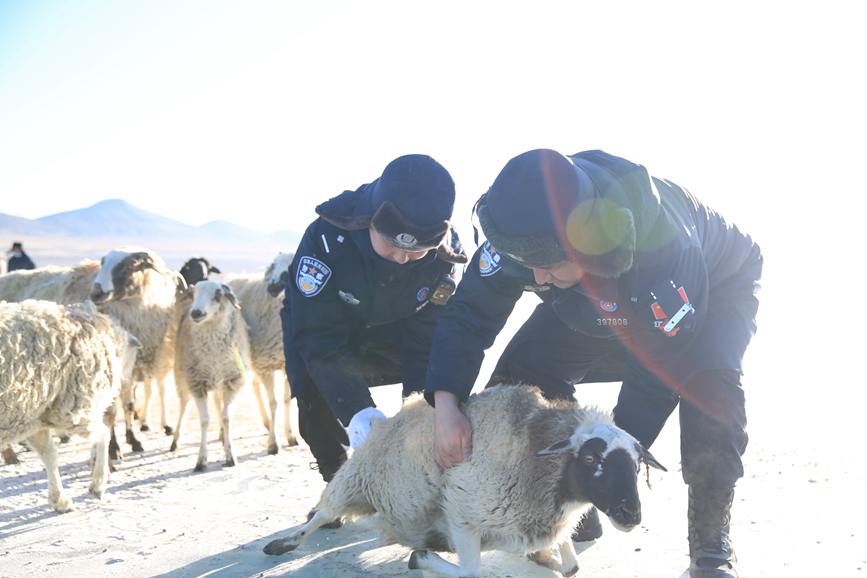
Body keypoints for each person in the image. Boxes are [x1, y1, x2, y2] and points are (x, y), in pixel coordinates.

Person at [425, 149, 762, 578]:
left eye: (547, 265)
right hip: (593, 294)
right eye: (531, 266)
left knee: (710, 392)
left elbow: (657, 370)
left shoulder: (666, 254)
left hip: (711, 288)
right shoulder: (522, 233)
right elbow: (469, 315)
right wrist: (446, 402)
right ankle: (571, 515)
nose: (538, 278)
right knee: (519, 376)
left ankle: (712, 548)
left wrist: (614, 462)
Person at [282, 154, 467, 484]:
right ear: (371, 222)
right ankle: (338, 481)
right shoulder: (325, 241)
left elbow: (426, 343)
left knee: (429, 411)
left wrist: (420, 417)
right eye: (391, 245)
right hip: (325, 331)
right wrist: (358, 410)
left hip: (396, 331)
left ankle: (416, 482)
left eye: (414, 252)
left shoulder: (444, 259)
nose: (400, 258)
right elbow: (318, 338)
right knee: (314, 398)